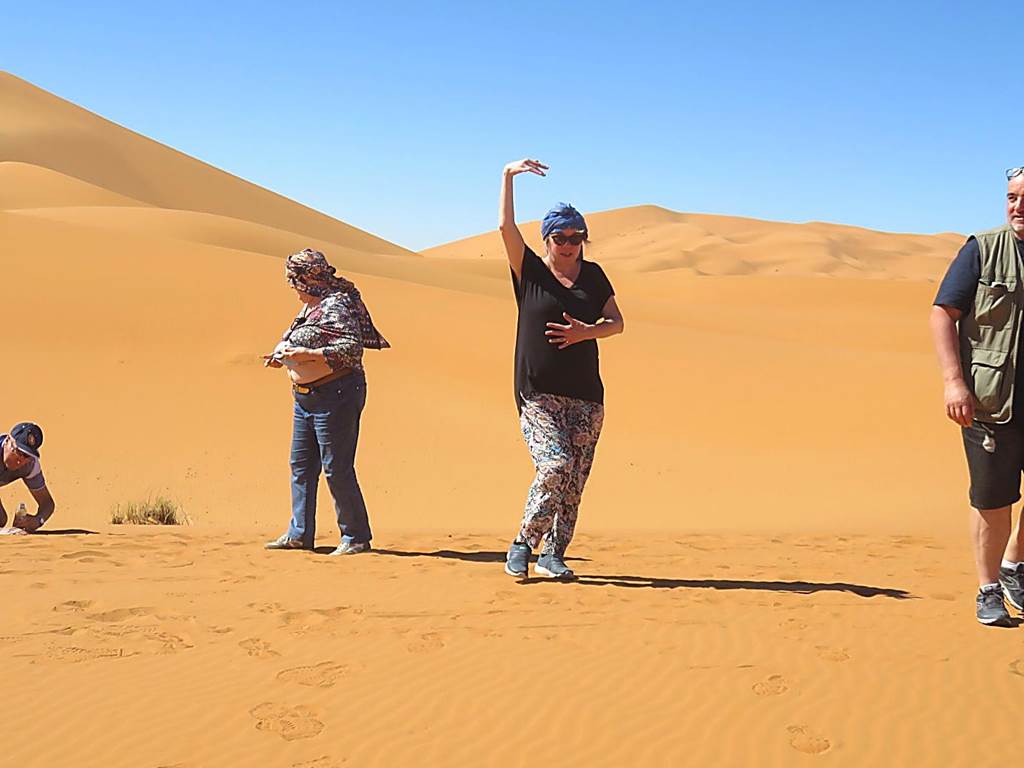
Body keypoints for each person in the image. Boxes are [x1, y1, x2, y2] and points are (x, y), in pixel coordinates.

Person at [498, 158, 625, 580]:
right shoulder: (530, 272)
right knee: (555, 465)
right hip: (538, 392)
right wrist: (507, 177)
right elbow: (505, 230)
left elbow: (617, 323)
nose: (568, 244)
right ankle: (522, 544)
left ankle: (553, 555)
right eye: (559, 236)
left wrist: (587, 331)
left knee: (573, 484)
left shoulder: (594, 276)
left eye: (576, 236)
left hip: (587, 397)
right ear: (547, 239)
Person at [931, 166, 1024, 626]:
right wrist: (954, 381)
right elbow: (943, 314)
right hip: (992, 403)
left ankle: (1014, 565)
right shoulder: (982, 250)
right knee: (993, 499)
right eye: (1011, 197)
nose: (1017, 207)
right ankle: (988, 589)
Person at [263, 248, 389, 556]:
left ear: (307, 280)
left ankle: (356, 536)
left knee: (336, 467)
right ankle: (299, 533)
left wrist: (305, 356)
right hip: (305, 398)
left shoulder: (336, 305)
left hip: (337, 395)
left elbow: (351, 348)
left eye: (295, 282)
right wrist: (284, 358)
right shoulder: (311, 307)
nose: (293, 288)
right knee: (301, 466)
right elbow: (308, 339)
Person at [0, 422, 55, 532]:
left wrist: (38, 520)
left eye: (27, 456)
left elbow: (47, 504)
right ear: (7, 441)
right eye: (18, 452)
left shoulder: (30, 465)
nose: (21, 460)